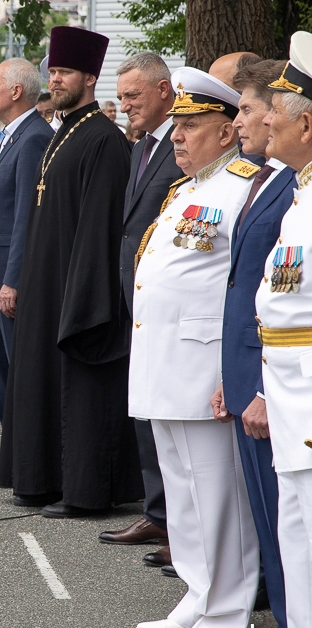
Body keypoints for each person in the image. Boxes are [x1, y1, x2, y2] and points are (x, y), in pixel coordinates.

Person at [130, 68, 262, 628]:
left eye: (192, 125)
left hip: (205, 365)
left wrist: (234, 372)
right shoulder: (186, 189)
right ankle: (198, 594)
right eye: (177, 125)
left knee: (218, 501)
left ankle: (226, 607)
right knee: (183, 499)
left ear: (227, 131)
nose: (178, 136)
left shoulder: (243, 188)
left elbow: (248, 285)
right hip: (163, 362)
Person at [0, 26, 143, 517]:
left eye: (63, 72)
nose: (54, 80)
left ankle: (84, 491)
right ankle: (40, 480)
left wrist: (81, 299)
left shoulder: (103, 140)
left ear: (89, 76)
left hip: (75, 291)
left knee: (78, 393)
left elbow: (100, 229)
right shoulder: (64, 132)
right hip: (46, 284)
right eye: (52, 72)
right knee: (40, 385)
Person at [213, 57, 294, 626]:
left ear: (277, 115)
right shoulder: (268, 179)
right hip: (250, 366)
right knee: (272, 519)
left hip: (279, 376)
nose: (237, 122)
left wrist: (261, 383)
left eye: (245, 109)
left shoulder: (294, 185)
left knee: (288, 520)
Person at [97, 52, 184, 562]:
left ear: (164, 90)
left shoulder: (181, 144)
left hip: (170, 306)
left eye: (133, 95)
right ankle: (159, 513)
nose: (124, 104)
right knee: (146, 410)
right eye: (122, 95)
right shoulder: (142, 147)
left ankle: (181, 527)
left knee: (170, 418)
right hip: (138, 298)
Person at [254, 32, 312, 628]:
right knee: (297, 543)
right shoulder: (302, 194)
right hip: (292, 394)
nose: (268, 120)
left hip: (310, 398)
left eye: (278, 111)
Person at [0, 58, 53, 474]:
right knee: (3, 370)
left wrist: (13, 278)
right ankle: (13, 453)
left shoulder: (34, 137)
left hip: (7, 275)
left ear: (16, 91)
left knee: (17, 369)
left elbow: (25, 216)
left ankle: (24, 455)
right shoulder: (13, 135)